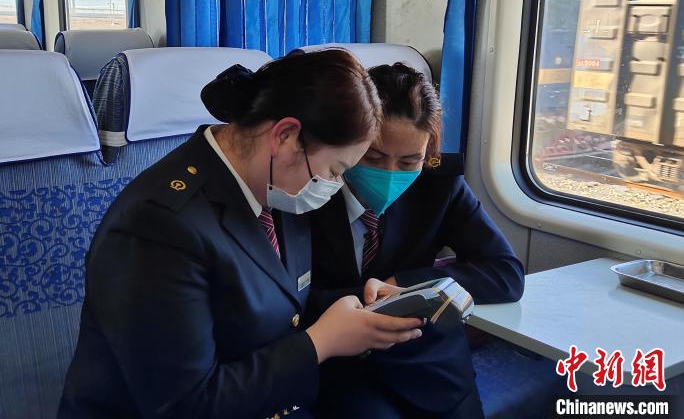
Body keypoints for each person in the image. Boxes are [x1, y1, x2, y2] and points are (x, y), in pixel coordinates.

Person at [57, 51, 425, 419]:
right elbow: (186, 406)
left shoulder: (276, 187)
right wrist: (320, 343)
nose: (333, 185)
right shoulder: (158, 227)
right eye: (334, 170)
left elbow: (275, 303)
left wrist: (360, 302)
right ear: (285, 136)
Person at [307, 62, 525, 419]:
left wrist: (404, 286)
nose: (389, 173)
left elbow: (506, 273)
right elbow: (282, 297)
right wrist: (367, 304)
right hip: (339, 362)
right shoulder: (307, 191)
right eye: (373, 157)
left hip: (428, 358)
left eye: (409, 162)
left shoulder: (439, 187)